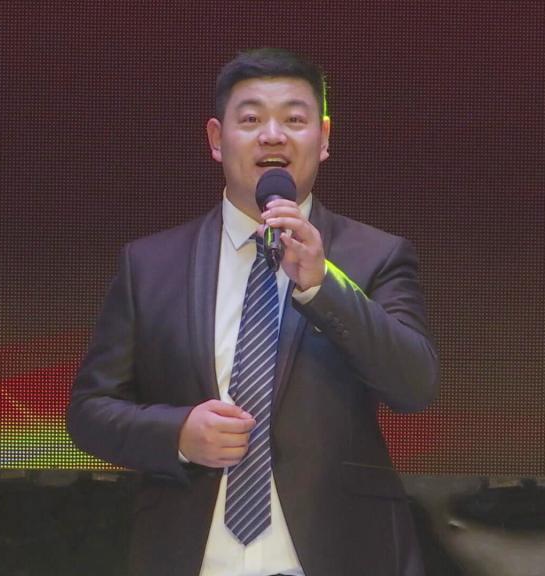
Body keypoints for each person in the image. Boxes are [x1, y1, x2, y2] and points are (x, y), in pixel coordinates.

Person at [67, 48, 439, 576]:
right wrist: (177, 434)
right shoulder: (150, 265)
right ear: (216, 139)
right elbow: (90, 411)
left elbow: (415, 385)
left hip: (341, 555)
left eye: (294, 119)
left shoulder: (375, 256)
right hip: (191, 559)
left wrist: (323, 285)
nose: (273, 135)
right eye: (251, 119)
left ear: (323, 138)